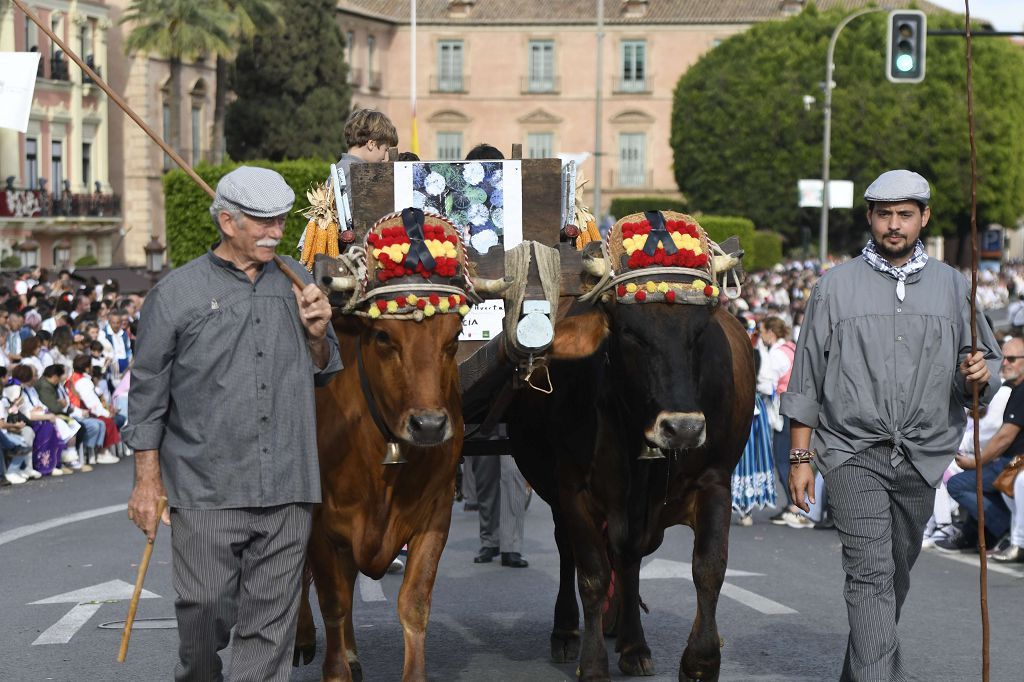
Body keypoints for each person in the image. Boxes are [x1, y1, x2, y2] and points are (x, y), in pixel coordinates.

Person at [781, 169, 1001, 682]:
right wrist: (800, 458)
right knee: (870, 573)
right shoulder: (833, 288)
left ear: (924, 218)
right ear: (870, 218)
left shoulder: (954, 287)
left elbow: (983, 378)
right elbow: (806, 378)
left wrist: (977, 372)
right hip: (852, 452)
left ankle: (857, 673)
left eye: (905, 214)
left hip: (924, 456)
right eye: (884, 214)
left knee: (893, 575)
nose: (894, 225)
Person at [124, 166, 341, 682]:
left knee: (270, 628)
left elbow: (324, 366)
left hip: (289, 483)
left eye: (281, 221)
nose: (275, 232)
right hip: (206, 487)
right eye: (262, 222)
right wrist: (146, 481)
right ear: (226, 221)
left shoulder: (299, 282)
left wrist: (317, 332)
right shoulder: (176, 293)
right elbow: (148, 390)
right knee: (201, 610)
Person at [936, 335, 1024, 553]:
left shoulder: (1020, 391)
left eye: (1011, 359)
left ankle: (1005, 530)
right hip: (1007, 459)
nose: (1004, 363)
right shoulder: (1013, 389)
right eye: (1003, 358)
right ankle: (983, 531)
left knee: (957, 483)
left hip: (1015, 461)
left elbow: (1004, 436)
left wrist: (976, 462)